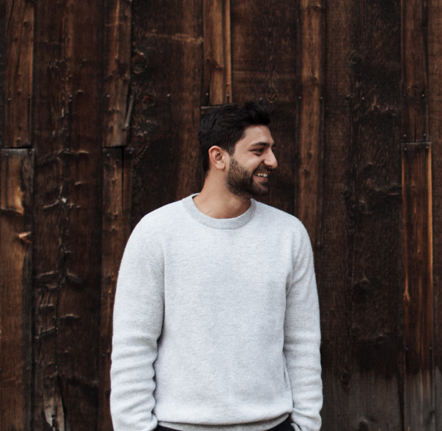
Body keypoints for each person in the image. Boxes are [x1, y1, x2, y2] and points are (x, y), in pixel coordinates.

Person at [110, 101, 321, 431]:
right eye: (259, 150)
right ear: (218, 157)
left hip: (272, 425)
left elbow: (303, 343)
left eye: (271, 149)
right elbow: (133, 346)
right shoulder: (157, 233)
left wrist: (306, 426)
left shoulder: (288, 235)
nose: (272, 161)